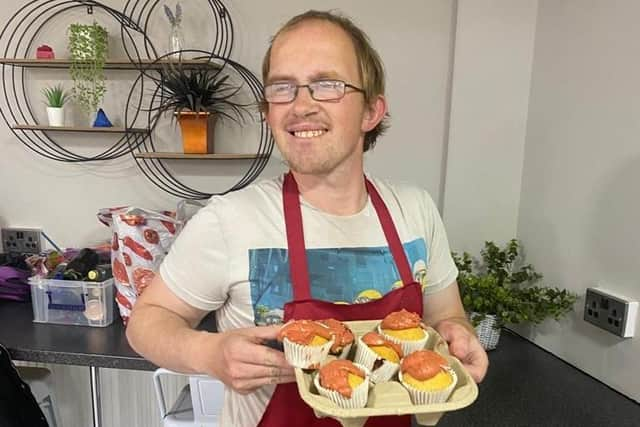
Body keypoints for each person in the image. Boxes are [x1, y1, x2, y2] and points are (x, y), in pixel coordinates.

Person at [126, 9, 488, 427]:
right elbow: (146, 322)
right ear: (268, 110)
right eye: (283, 88)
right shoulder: (229, 219)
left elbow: (448, 317)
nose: (301, 105)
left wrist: (459, 336)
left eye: (327, 85)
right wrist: (209, 353)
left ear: (371, 111)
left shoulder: (416, 210)